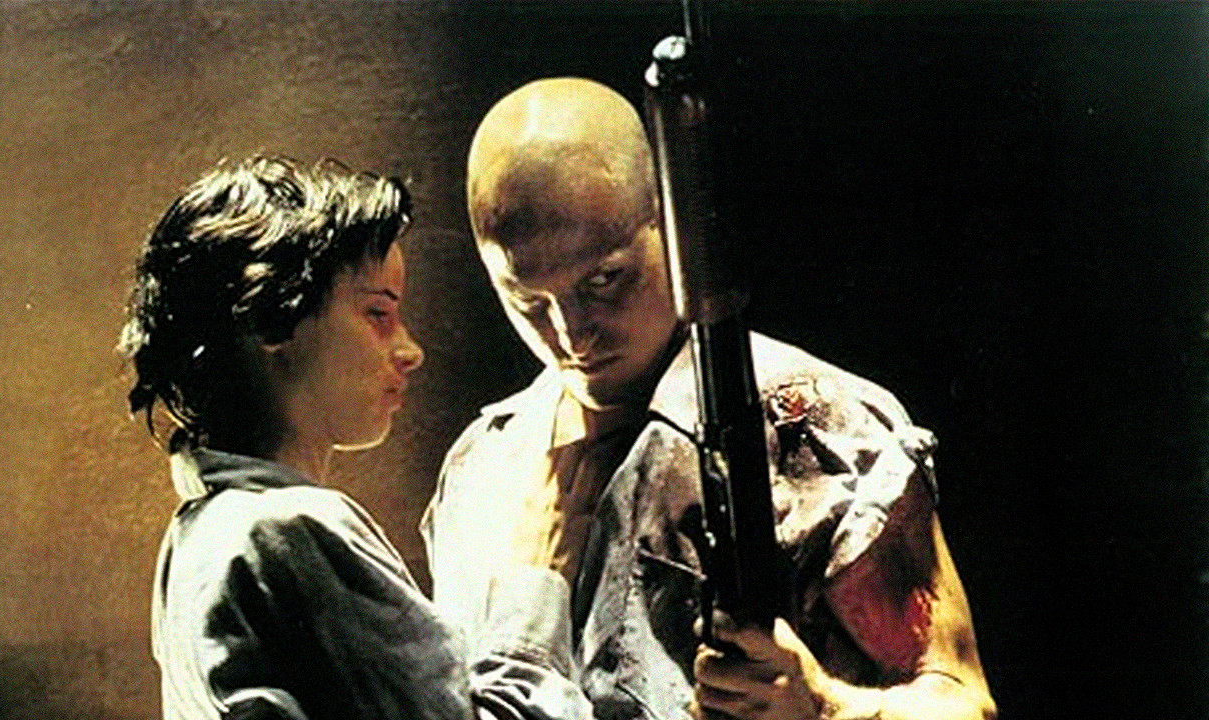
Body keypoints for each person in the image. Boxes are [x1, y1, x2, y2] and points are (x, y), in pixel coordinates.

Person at [423, 78, 997, 720]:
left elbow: (962, 704)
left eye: (603, 280)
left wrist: (827, 708)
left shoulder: (810, 425)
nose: (570, 332)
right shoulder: (481, 470)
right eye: (528, 300)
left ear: (671, 226)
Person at [121, 156, 592, 720]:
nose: (410, 351)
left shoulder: (194, 536)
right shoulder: (287, 529)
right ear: (272, 319)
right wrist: (534, 583)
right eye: (377, 313)